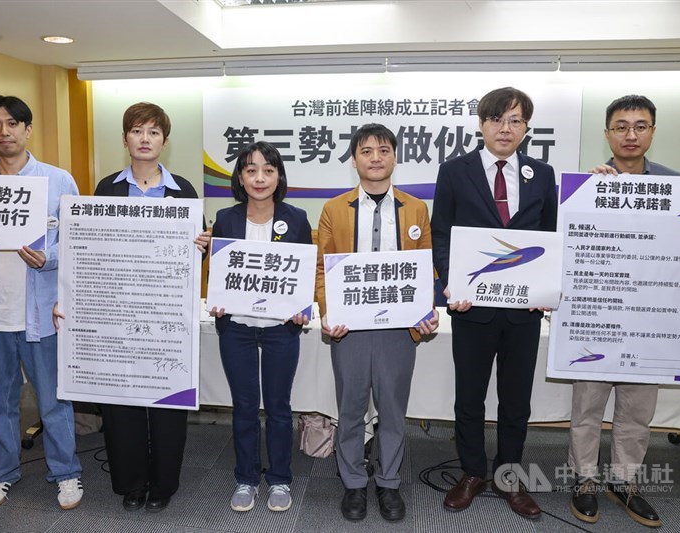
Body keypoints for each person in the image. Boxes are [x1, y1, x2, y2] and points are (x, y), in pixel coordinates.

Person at [567, 95, 680, 528]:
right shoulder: (588, 183)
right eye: (620, 126)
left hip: (648, 318)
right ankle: (584, 481)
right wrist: (588, 193)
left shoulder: (676, 186)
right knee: (587, 407)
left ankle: (625, 483)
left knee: (637, 411)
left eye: (640, 125)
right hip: (599, 314)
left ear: (653, 130)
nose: (630, 134)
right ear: (607, 134)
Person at [0, 95, 83, 511]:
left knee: (54, 400)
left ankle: (66, 472)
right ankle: (2, 475)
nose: (3, 132)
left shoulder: (58, 181)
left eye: (11, 123)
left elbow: (77, 244)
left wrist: (50, 257)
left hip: (41, 314)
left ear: (27, 129)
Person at [430, 87, 557, 520]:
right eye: (498, 119)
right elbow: (441, 233)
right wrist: (452, 283)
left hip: (523, 310)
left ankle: (508, 475)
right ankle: (471, 472)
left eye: (516, 120)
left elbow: (549, 237)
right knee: (469, 397)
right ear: (482, 124)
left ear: (525, 128)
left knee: (516, 399)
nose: (506, 128)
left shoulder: (542, 175)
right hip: (473, 309)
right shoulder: (454, 171)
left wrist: (547, 288)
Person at [88, 102, 210, 513]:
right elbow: (92, 250)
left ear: (164, 141)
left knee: (167, 399)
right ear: (125, 139)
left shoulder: (184, 191)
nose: (145, 139)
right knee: (121, 401)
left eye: (154, 133)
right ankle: (131, 481)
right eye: (137, 131)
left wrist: (203, 247)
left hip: (166, 312)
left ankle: (162, 483)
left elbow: (198, 255)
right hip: (119, 310)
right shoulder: (106, 189)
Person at [316, 123, 439, 522]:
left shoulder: (416, 208)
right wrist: (327, 313)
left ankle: (387, 483)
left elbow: (426, 268)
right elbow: (321, 269)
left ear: (394, 158)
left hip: (398, 330)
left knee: (392, 410)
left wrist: (426, 312)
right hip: (349, 329)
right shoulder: (334, 209)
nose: (375, 158)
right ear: (354, 160)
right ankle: (353, 483)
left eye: (383, 150)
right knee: (350, 410)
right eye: (366, 151)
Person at [209, 141, 312, 513]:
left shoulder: (296, 218)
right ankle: (247, 478)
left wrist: (302, 308)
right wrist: (216, 298)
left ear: (279, 175)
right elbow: (218, 275)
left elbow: (304, 274)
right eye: (251, 170)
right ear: (240, 177)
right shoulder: (225, 218)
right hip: (236, 328)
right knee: (245, 406)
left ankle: (280, 479)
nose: (259, 177)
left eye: (268, 170)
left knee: (280, 407)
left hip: (279, 330)